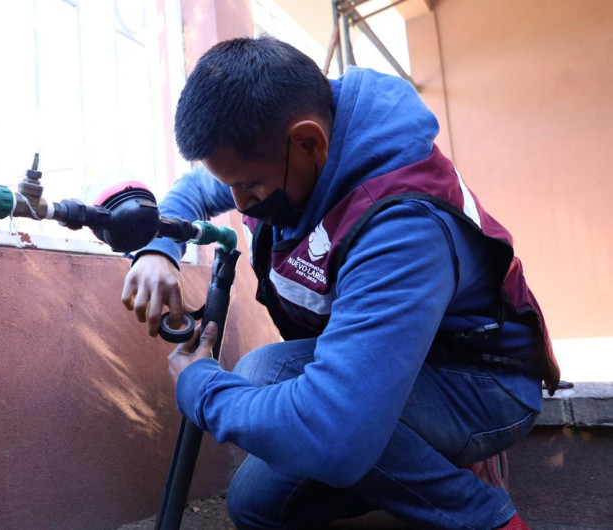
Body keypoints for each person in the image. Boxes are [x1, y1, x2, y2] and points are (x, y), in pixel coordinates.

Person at [121, 36, 558, 529]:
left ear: (309, 142)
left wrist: (200, 387)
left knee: (268, 378)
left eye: (250, 186)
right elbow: (194, 191)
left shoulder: (401, 226)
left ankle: (483, 514)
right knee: (255, 506)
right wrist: (159, 248)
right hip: (402, 363)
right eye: (232, 185)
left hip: (484, 383)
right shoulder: (276, 146)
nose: (239, 203)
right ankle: (429, 455)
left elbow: (333, 435)